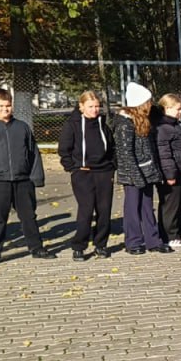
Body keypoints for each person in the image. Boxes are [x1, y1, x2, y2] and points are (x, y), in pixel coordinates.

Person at [0, 87, 54, 267]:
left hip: (23, 180)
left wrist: (36, 177)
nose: (5, 109)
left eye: (8, 105)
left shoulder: (22, 127)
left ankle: (36, 247)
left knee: (29, 216)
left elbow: (33, 153)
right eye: (0, 106)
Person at [113, 83, 171, 255]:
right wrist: (136, 176)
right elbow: (126, 154)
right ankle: (133, 242)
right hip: (132, 173)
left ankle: (153, 240)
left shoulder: (145, 120)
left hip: (147, 171)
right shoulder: (124, 124)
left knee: (147, 207)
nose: (150, 105)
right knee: (132, 207)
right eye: (147, 102)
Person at [58, 90, 115, 260]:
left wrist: (112, 166)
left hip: (104, 172)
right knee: (86, 210)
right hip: (83, 173)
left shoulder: (102, 124)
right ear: (81, 106)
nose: (94, 110)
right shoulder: (72, 125)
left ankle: (101, 244)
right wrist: (73, 168)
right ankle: (79, 246)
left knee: (104, 210)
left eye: (97, 106)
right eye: (90, 106)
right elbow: (64, 149)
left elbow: (111, 147)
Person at [153, 93, 181, 247]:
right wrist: (169, 174)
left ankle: (178, 233)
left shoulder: (174, 125)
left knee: (178, 204)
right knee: (170, 205)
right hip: (171, 173)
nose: (180, 112)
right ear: (167, 108)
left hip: (179, 171)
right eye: (177, 109)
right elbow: (164, 154)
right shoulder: (163, 128)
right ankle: (170, 235)